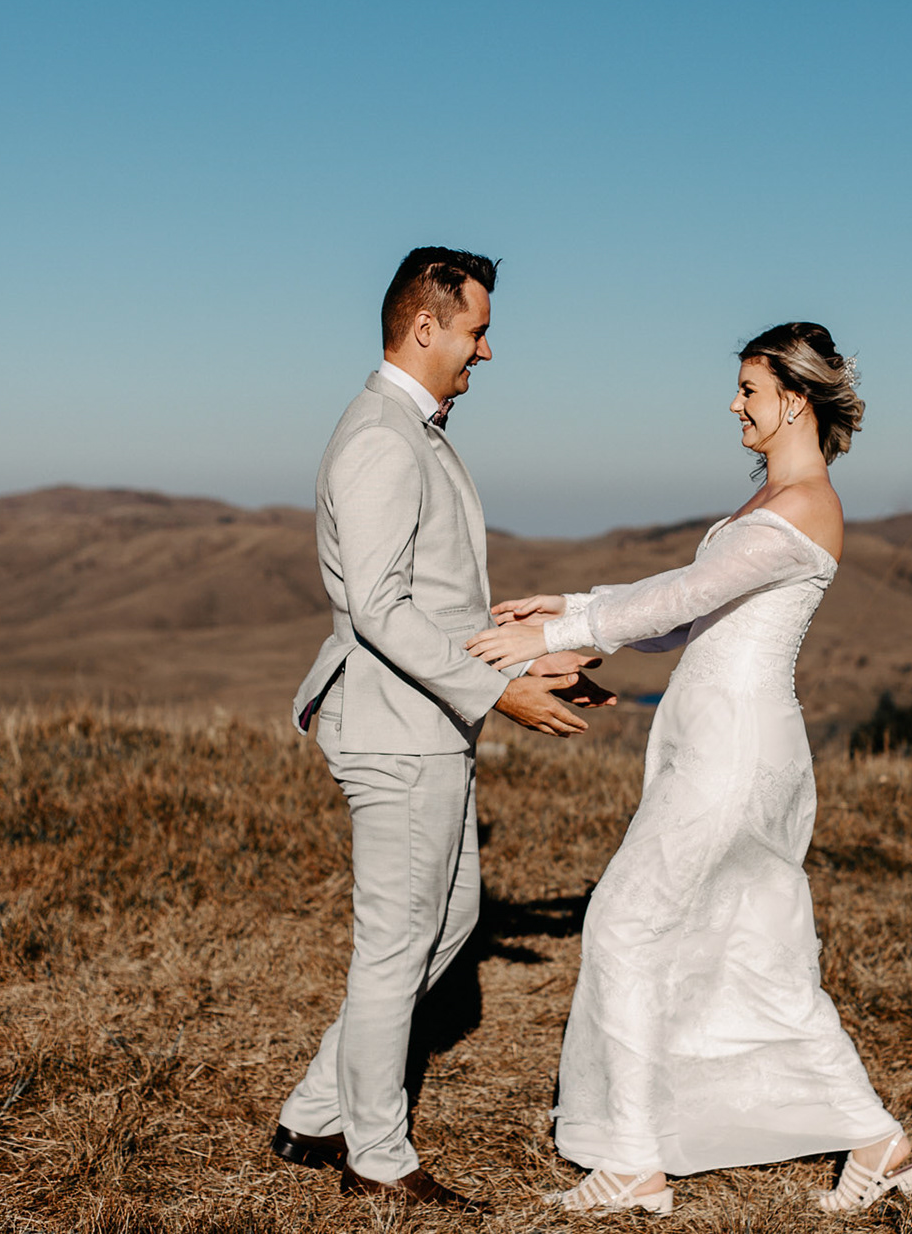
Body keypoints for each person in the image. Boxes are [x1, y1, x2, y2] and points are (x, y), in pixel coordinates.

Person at [466, 322, 912, 1215]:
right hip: (720, 740)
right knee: (760, 952)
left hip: (735, 752)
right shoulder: (772, 501)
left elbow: (682, 594)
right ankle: (881, 1146)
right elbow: (686, 618)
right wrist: (573, 604)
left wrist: (552, 634)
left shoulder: (805, 505)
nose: (734, 405)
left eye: (749, 389)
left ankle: (635, 1165)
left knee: (625, 924)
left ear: (795, 398)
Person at [270, 246, 612, 1212]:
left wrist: (534, 661)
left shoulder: (414, 430)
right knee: (395, 945)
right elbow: (379, 609)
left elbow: (435, 600)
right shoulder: (383, 437)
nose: (487, 351)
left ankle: (314, 1112)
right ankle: (376, 1157)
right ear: (426, 326)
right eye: (477, 331)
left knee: (450, 922)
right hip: (396, 730)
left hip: (425, 722)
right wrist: (498, 692)